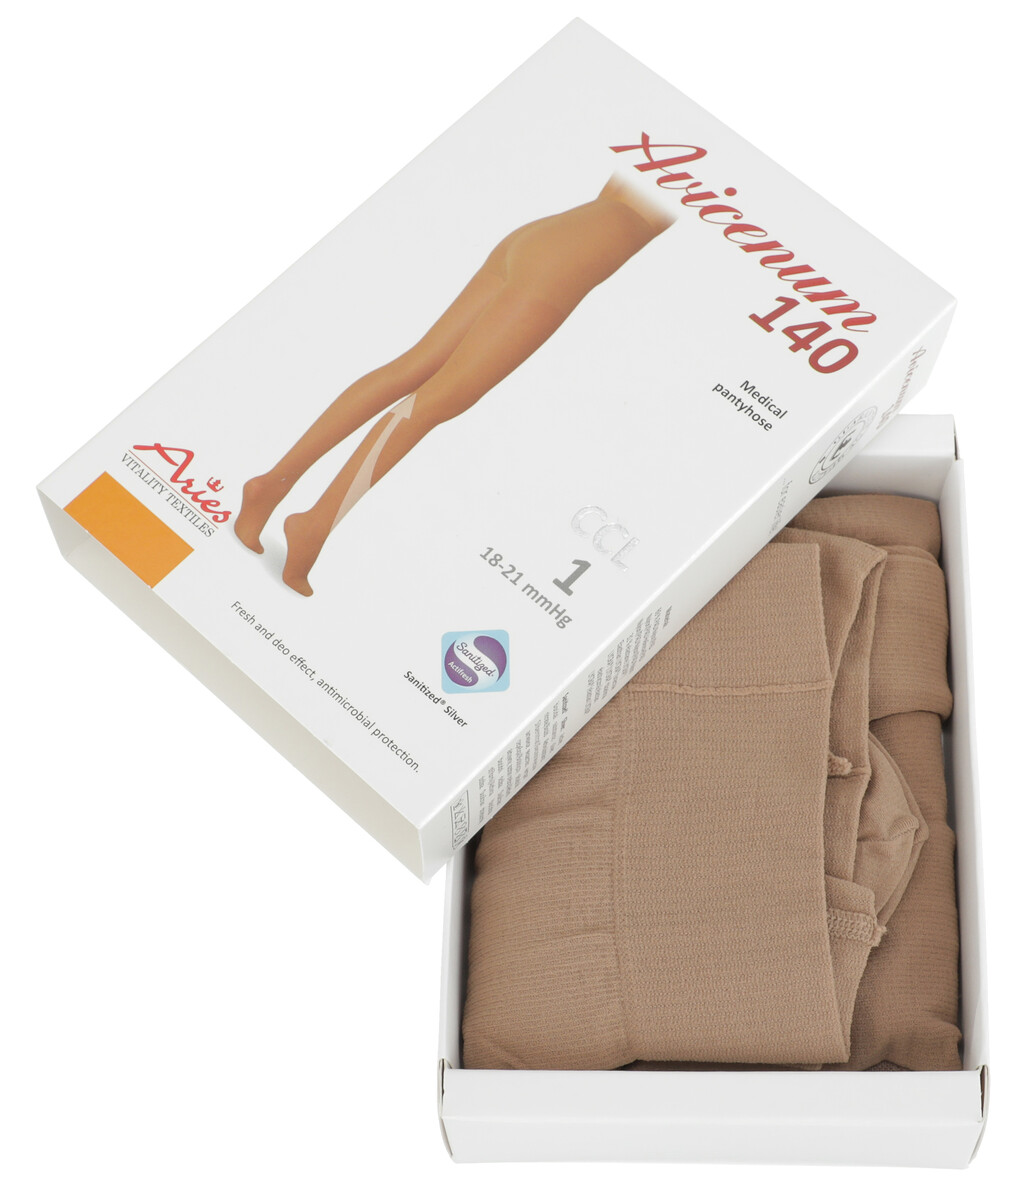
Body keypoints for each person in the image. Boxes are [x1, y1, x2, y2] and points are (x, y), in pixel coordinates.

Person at [234, 173, 676, 595]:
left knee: (411, 368)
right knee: (435, 402)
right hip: (566, 264)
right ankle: (314, 526)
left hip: (543, 235)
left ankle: (270, 484)